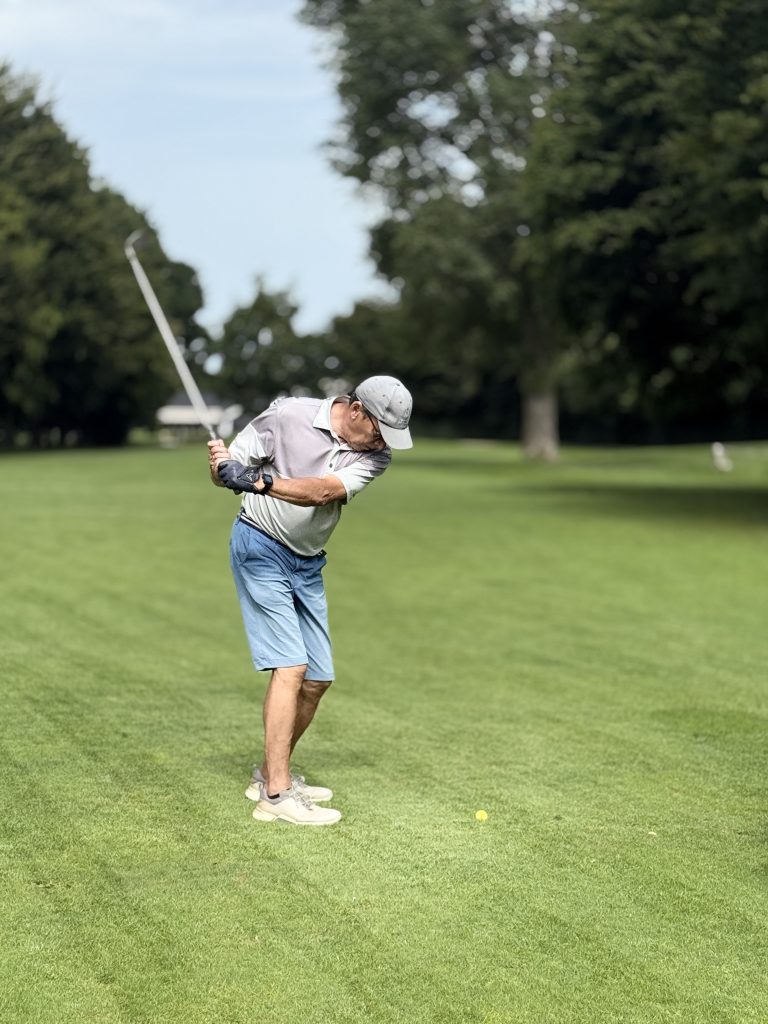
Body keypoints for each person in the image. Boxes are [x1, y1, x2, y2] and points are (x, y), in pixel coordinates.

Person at [207, 375, 413, 827]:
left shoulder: (376, 456)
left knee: (317, 678)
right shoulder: (288, 415)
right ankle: (276, 794)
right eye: (380, 431)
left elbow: (322, 491)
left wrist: (259, 481)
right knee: (291, 667)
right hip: (260, 545)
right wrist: (223, 467)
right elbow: (229, 472)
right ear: (356, 410)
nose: (383, 443)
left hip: (307, 562)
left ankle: (268, 774)